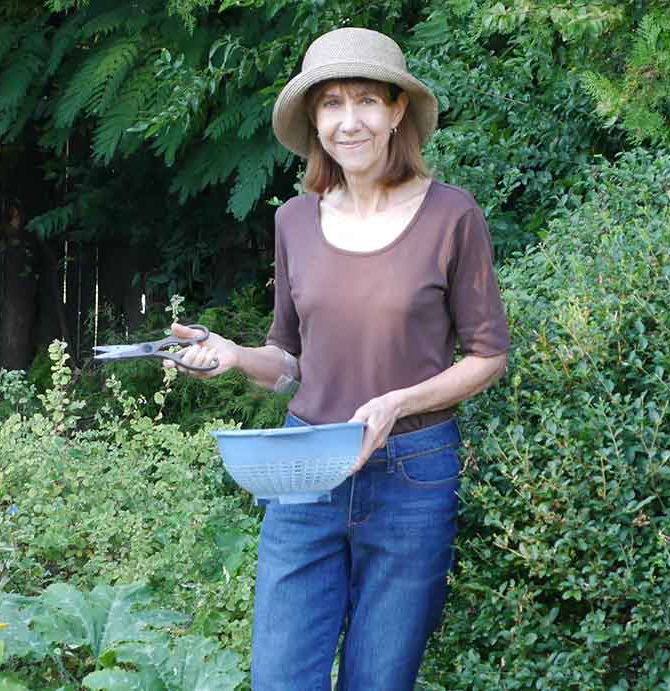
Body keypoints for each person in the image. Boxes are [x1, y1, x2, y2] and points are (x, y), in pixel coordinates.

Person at [165, 27, 511, 690]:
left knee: (378, 681)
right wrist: (237, 356)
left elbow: (489, 354)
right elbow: (290, 358)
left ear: (397, 109)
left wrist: (399, 401)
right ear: (314, 119)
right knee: (280, 678)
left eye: (366, 102)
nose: (348, 121)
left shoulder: (452, 217)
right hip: (305, 468)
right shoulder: (295, 219)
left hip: (414, 473)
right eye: (331, 104)